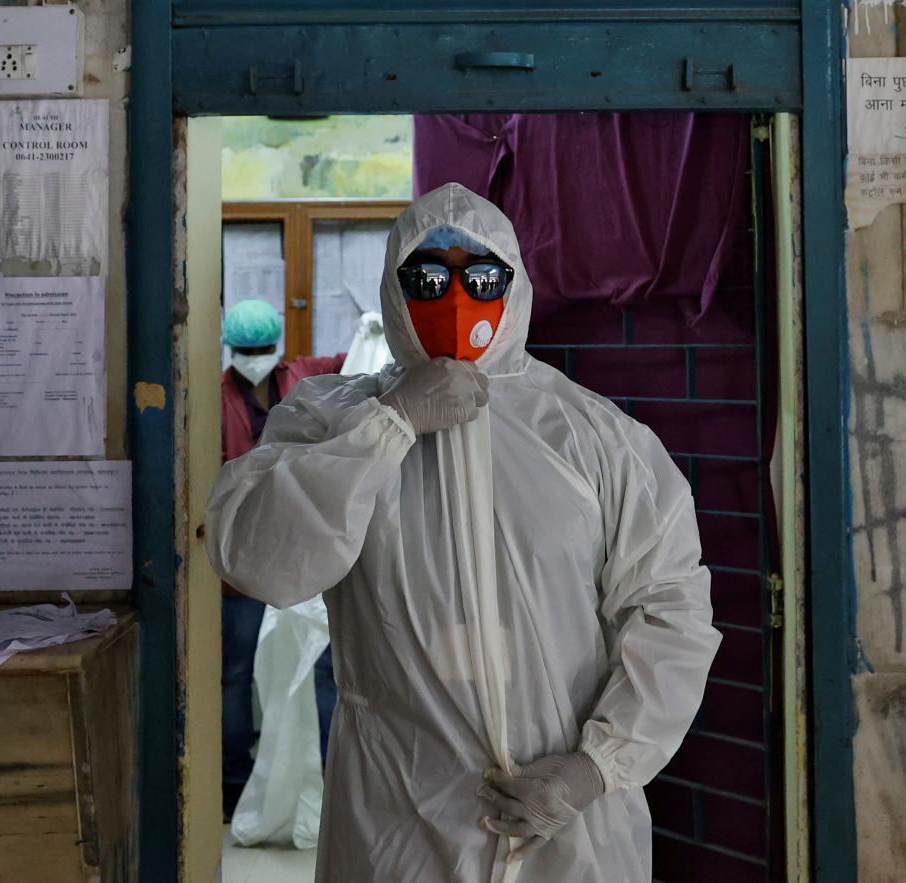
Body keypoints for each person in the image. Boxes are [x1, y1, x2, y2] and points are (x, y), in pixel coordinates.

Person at [205, 183, 720, 882]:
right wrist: (387, 427)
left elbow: (671, 609)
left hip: (567, 831)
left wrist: (598, 765)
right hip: (400, 816)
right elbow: (262, 559)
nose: (454, 299)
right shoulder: (329, 420)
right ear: (393, 289)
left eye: (480, 278)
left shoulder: (594, 436)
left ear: (514, 284)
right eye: (426, 278)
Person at [218, 298, 346, 820]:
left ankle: (326, 771)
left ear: (279, 347)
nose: (256, 358)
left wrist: (376, 327)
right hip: (247, 560)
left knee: (320, 669)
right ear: (231, 349)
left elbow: (357, 364)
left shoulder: (302, 374)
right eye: (247, 351)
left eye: (263, 349)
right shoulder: (214, 396)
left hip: (305, 552)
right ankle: (234, 781)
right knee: (237, 672)